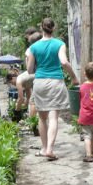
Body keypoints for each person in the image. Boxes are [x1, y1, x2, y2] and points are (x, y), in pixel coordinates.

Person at [26, 17, 80, 161]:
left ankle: (44, 149)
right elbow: (64, 61)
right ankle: (50, 149)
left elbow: (30, 70)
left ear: (41, 28)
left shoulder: (34, 47)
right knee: (54, 117)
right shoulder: (59, 44)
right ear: (53, 28)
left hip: (40, 83)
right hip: (55, 81)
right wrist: (74, 77)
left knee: (42, 118)